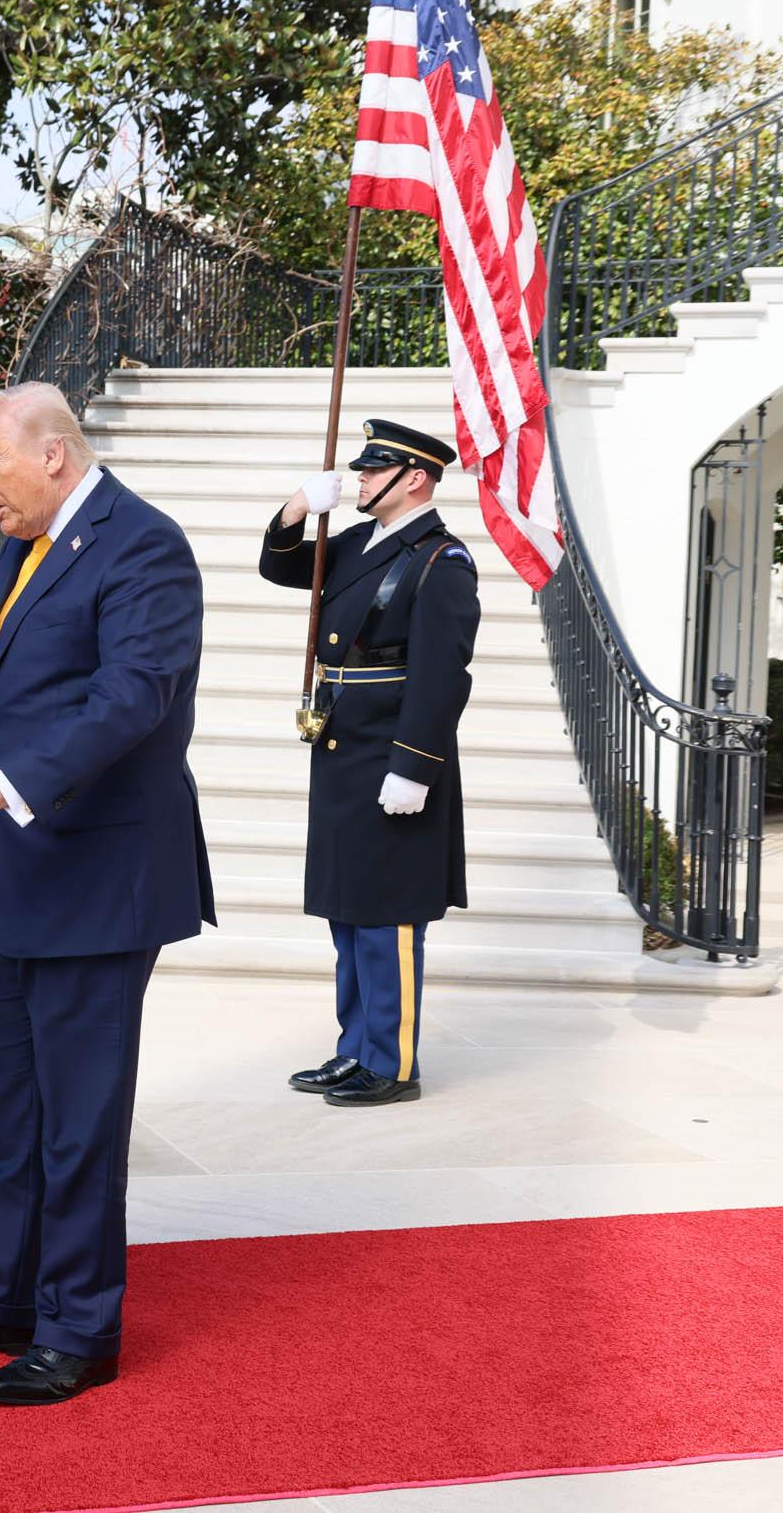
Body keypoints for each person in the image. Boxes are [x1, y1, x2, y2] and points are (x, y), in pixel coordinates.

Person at [0, 381, 210, 1408]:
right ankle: (3, 1297)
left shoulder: (144, 546)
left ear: (53, 453)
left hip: (101, 879)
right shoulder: (21, 549)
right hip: (24, 876)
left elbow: (128, 701)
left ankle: (77, 1330)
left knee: (79, 1121)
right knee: (15, 1107)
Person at [260, 420, 480, 1108]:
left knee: (388, 914)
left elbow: (443, 677)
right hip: (343, 747)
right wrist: (298, 508)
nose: (359, 479)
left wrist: (414, 766)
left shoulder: (441, 560)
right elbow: (282, 567)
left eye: (372, 470)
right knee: (349, 910)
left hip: (391, 752)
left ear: (414, 478)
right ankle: (355, 1048)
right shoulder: (361, 541)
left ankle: (391, 1062)